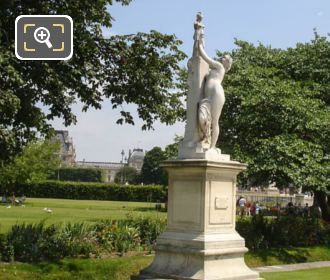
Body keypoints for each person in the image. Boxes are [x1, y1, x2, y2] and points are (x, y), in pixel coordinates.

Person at [197, 41, 233, 149]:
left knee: (215, 121)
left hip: (217, 93)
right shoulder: (215, 69)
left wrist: (199, 46)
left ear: (226, 63)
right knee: (203, 118)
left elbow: (206, 58)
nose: (221, 58)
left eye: (224, 58)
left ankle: (212, 147)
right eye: (222, 57)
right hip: (207, 97)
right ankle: (206, 138)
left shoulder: (220, 67)